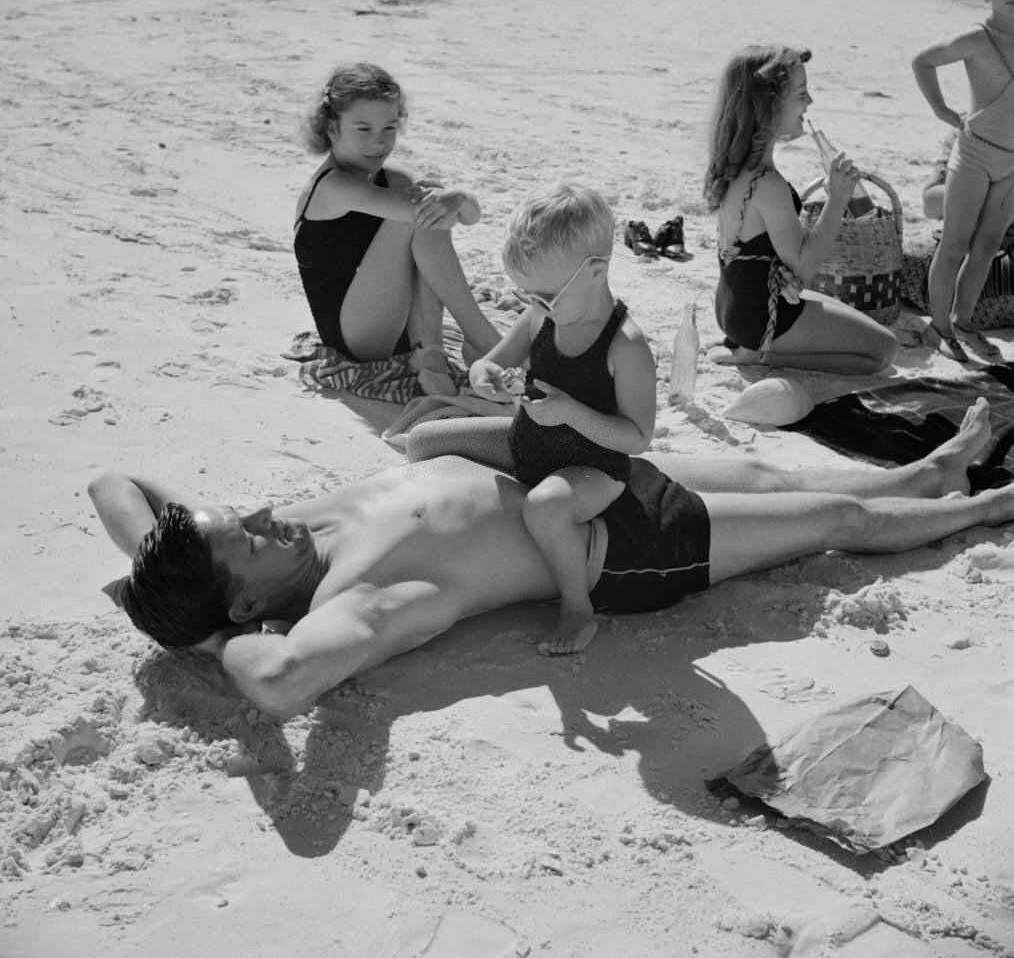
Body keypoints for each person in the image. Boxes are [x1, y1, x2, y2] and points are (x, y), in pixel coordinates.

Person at [89, 398, 1012, 721]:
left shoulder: (283, 536)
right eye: (241, 538)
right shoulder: (358, 597)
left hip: (578, 477)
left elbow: (111, 483)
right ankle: (991, 504)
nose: (261, 514)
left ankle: (932, 470)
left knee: (766, 470)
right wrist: (207, 640)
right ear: (243, 607)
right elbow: (281, 683)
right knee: (835, 516)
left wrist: (162, 567)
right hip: (622, 549)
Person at [466, 184, 657, 655]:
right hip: (528, 442)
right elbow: (487, 362)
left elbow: (637, 438)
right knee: (425, 442)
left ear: (596, 272)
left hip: (592, 468)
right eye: (526, 294)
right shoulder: (538, 317)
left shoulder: (625, 345)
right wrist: (482, 376)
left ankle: (577, 608)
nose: (534, 304)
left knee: (546, 506)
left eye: (546, 296)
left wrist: (570, 411)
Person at [293, 61, 499, 392]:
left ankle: (430, 356)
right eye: (364, 130)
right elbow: (439, 215)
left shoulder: (396, 178)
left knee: (425, 203)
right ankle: (481, 337)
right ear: (332, 128)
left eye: (389, 129)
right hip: (355, 335)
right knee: (421, 211)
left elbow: (470, 216)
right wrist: (451, 199)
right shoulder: (334, 187)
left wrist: (456, 196)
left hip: (399, 326)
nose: (379, 143)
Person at [704, 45, 899, 375]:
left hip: (732, 309)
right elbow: (805, 264)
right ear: (769, 104)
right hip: (762, 321)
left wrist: (787, 276)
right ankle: (764, 356)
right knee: (885, 350)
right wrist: (837, 200)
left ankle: (753, 349)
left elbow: (762, 253)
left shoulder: (734, 167)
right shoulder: (768, 184)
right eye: (802, 93)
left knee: (856, 320)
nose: (809, 103)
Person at [912, 0, 1014, 363]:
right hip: (973, 155)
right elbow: (923, 61)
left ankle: (965, 320)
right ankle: (940, 326)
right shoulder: (977, 38)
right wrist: (942, 111)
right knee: (953, 244)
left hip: (1012, 164)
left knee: (988, 246)